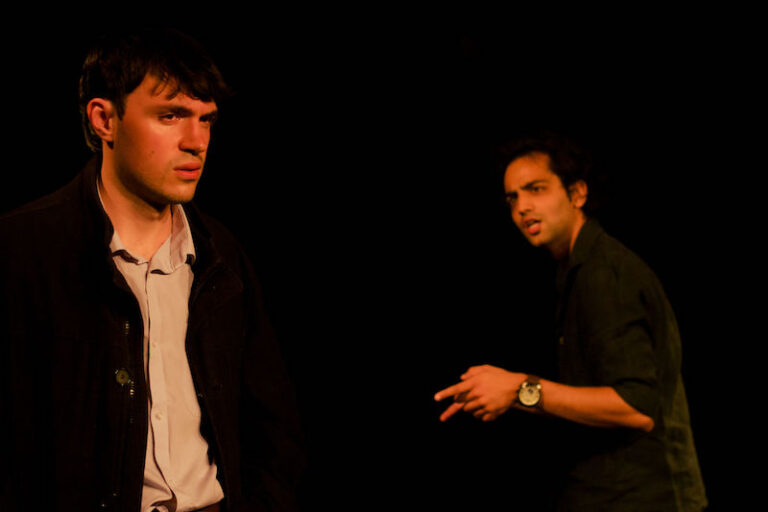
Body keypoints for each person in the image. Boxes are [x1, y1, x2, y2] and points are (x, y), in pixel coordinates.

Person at [0, 28, 304, 511]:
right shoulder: (23, 250)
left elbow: (272, 422)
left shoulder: (220, 254)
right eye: (171, 116)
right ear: (104, 119)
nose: (197, 141)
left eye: (206, 119)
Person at [434, 132, 707, 510]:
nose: (522, 208)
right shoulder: (577, 270)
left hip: (641, 498)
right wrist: (509, 393)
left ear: (577, 194)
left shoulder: (604, 273)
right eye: (513, 198)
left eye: (536, 189)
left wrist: (519, 388)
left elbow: (637, 407)